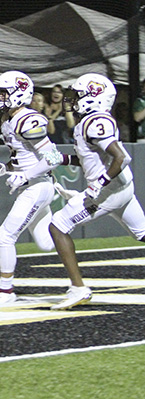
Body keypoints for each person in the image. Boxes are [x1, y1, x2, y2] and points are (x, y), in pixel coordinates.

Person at [48, 73, 145, 310]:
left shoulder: (95, 122)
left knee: (58, 225)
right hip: (119, 187)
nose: (73, 100)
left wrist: (97, 185)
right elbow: (91, 161)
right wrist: (62, 159)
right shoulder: (88, 123)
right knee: (143, 234)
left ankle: (78, 289)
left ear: (96, 98)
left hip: (109, 191)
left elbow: (120, 158)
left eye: (79, 95)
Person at [0, 71, 59, 303]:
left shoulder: (29, 119)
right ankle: (70, 219)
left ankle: (6, 291)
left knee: (4, 236)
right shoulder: (6, 119)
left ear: (20, 93)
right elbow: (22, 156)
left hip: (38, 185)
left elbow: (53, 157)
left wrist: (24, 175)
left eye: (4, 93)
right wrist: (6, 167)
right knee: (46, 243)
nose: (0, 98)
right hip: (32, 184)